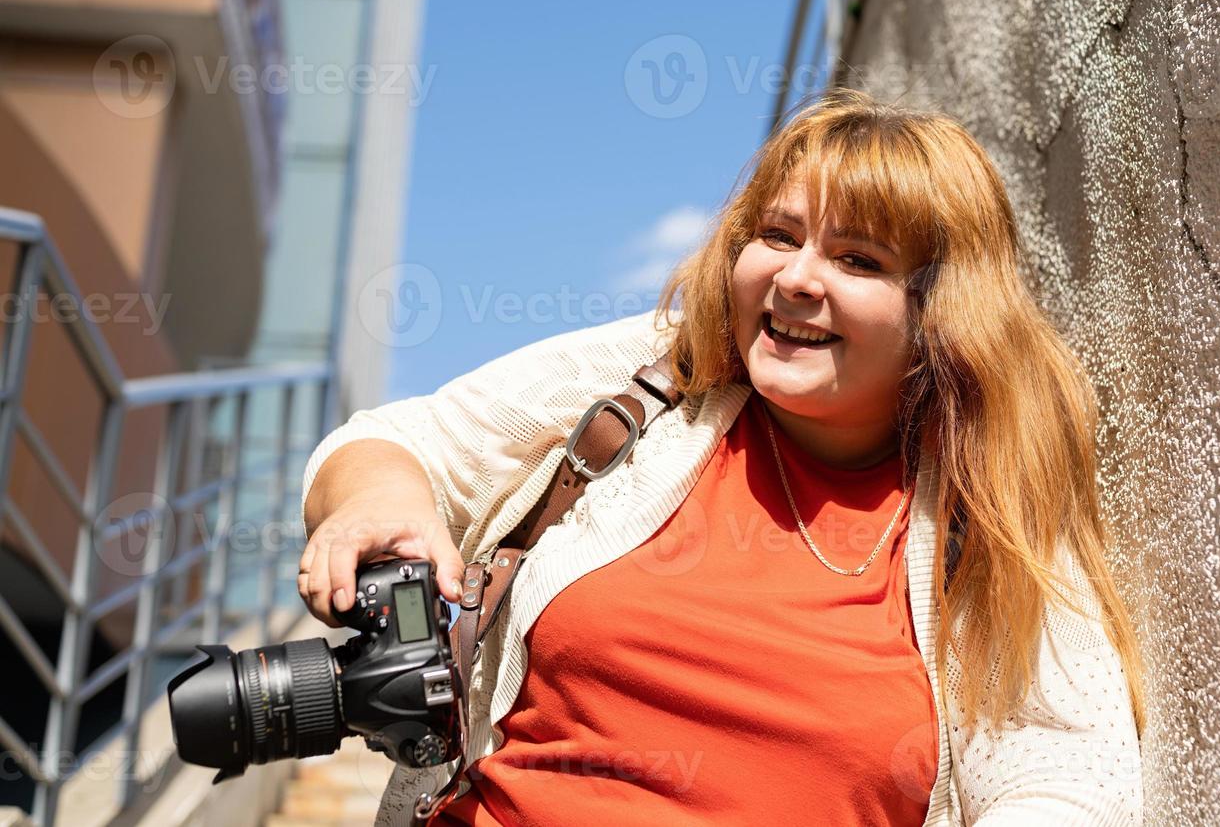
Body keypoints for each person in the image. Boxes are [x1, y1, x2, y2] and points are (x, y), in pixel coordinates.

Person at [299, 88, 1146, 825]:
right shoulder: (658, 381)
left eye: (857, 259)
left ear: (939, 313)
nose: (796, 280)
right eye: (779, 235)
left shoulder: (987, 512)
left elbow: (1069, 771)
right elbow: (397, 441)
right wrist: (375, 501)